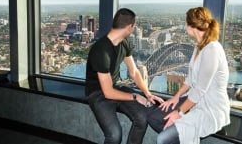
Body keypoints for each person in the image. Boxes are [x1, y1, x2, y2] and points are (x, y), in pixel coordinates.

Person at [147, 7, 230, 144]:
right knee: (153, 117)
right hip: (195, 100)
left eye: (186, 23)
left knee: (162, 139)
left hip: (210, 108)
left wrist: (178, 113)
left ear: (191, 26)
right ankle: (179, 135)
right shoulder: (199, 47)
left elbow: (199, 90)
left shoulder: (212, 50)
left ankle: (178, 134)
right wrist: (176, 97)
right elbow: (191, 79)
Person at [85, 8, 164, 144]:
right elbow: (108, 92)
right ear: (129, 27)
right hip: (98, 94)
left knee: (142, 117)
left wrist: (147, 93)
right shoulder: (101, 50)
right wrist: (135, 96)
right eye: (134, 27)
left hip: (115, 86)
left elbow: (134, 71)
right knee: (114, 135)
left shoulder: (124, 42)